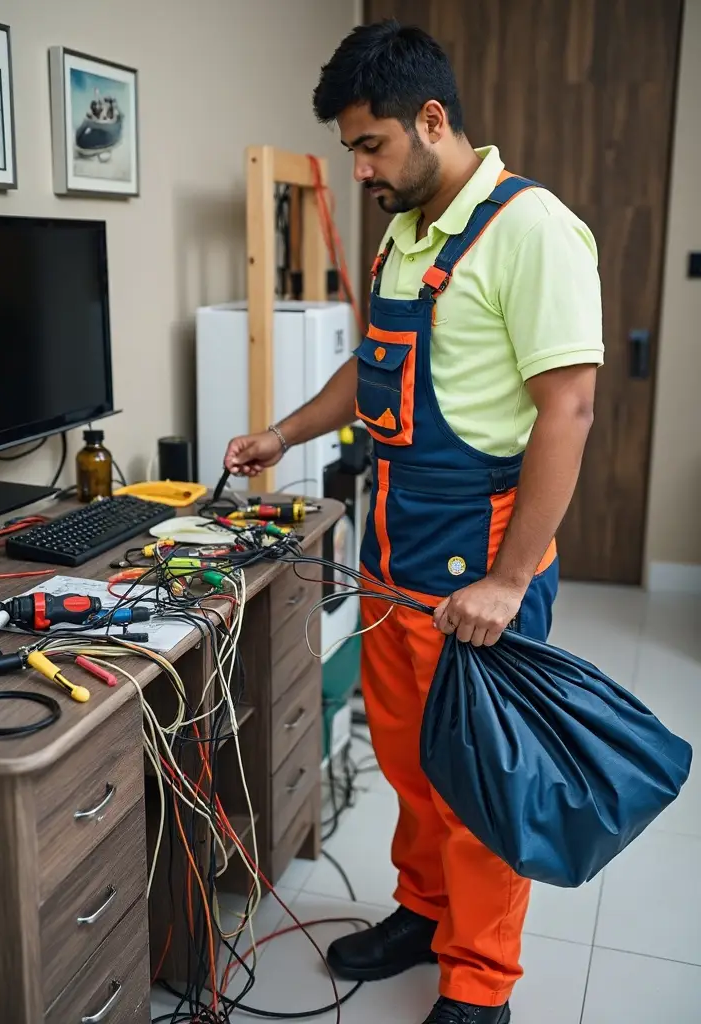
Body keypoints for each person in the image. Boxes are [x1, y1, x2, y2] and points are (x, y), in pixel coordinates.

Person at [225, 19, 603, 1024]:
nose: (359, 170)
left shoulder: (532, 230)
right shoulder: (406, 229)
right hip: (395, 554)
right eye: (351, 149)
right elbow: (372, 370)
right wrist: (281, 431)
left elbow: (566, 406)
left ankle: (478, 984)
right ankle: (422, 912)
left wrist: (510, 580)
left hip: (479, 568)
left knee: (480, 788)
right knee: (407, 762)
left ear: (430, 119)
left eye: (369, 145)